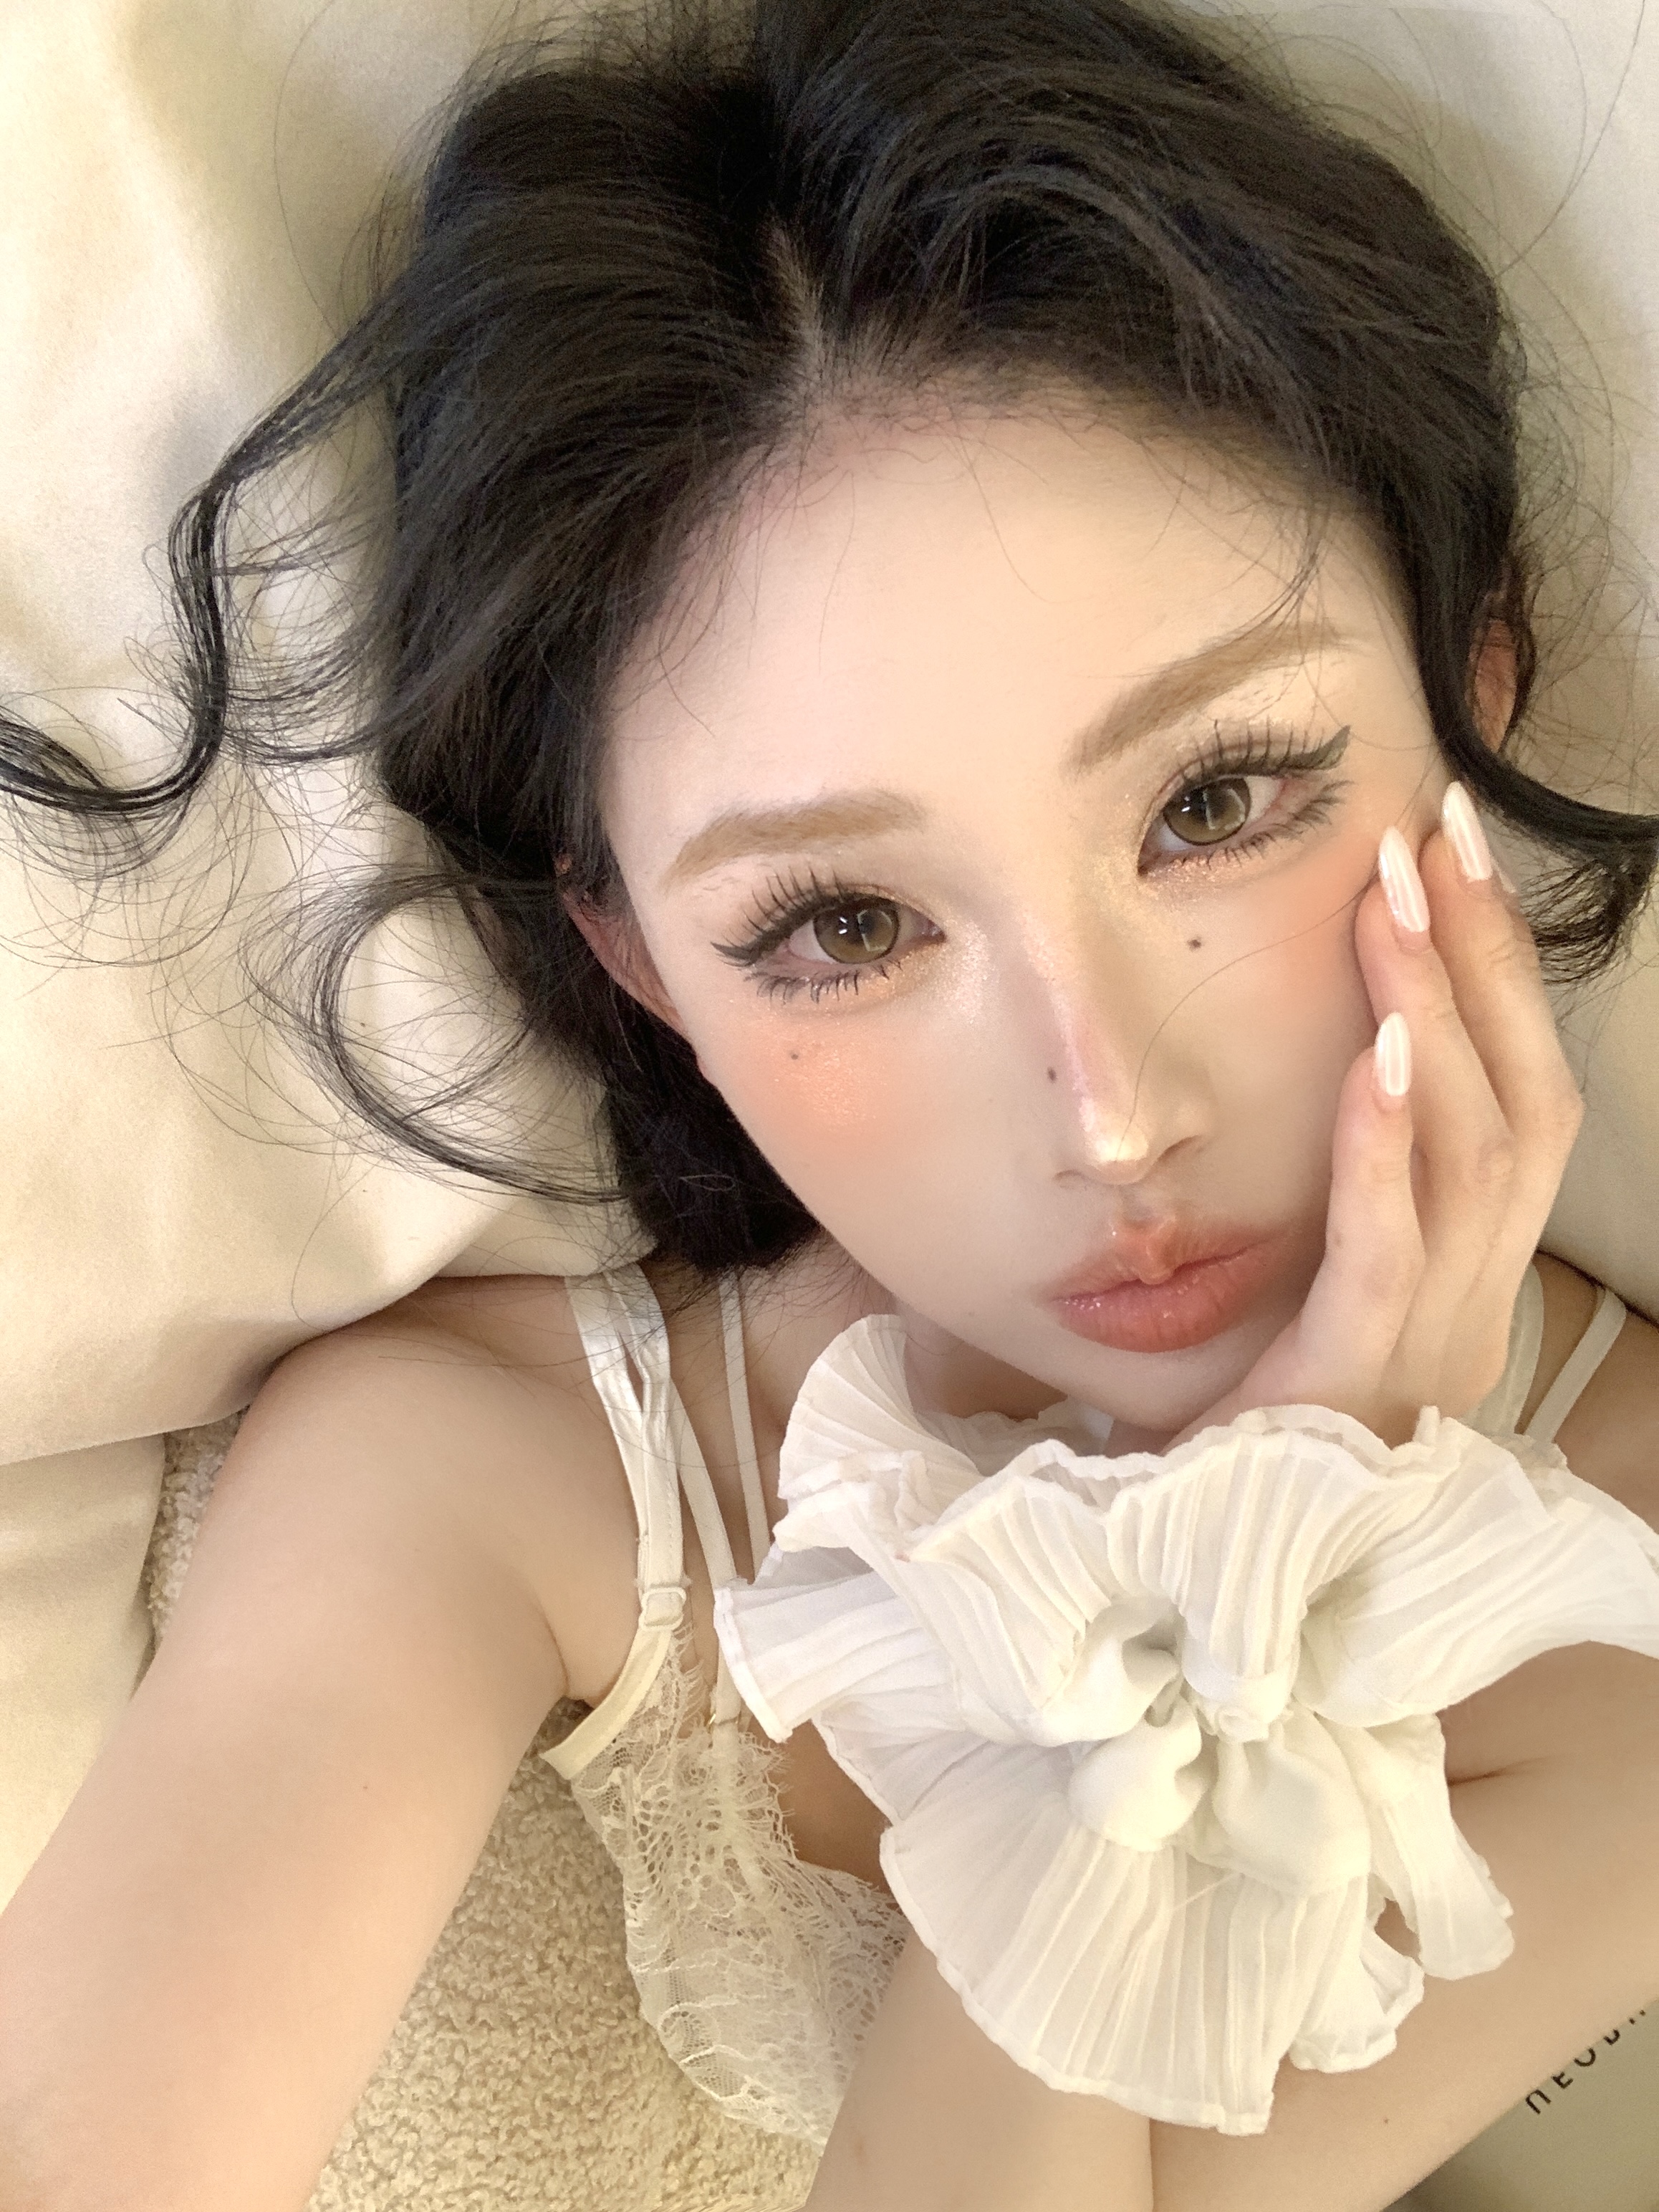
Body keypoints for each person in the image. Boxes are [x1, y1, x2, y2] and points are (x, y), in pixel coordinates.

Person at [0, 1, 1656, 2206]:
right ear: (630, 957)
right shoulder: (484, 1472)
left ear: (1473, 691)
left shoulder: (1616, 1588)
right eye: (844, 924)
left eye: (1216, 800)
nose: (1109, 1114)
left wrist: (1261, 1556)